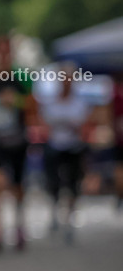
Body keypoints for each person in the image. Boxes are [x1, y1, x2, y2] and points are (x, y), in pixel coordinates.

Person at [0, 37, 36, 251]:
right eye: (0, 51)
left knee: (17, 186)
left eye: (7, 51)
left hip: (18, 139)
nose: (3, 55)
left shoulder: (22, 77)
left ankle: (19, 227)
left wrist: (16, 101)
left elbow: (33, 105)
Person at [40, 68, 91, 240]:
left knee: (73, 184)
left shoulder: (79, 103)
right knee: (53, 183)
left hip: (73, 147)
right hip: (55, 147)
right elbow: (44, 125)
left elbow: (84, 127)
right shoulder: (51, 103)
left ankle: (69, 219)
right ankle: (54, 213)